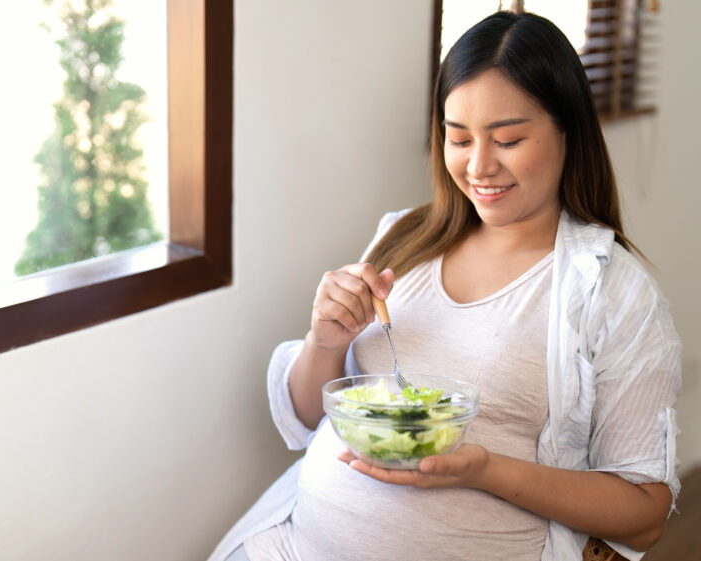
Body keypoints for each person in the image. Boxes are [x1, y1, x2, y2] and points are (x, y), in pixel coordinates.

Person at [209, 10, 682, 561]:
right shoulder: (404, 236)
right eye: (458, 139)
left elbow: (644, 516)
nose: (479, 165)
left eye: (508, 139)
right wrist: (326, 341)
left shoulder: (616, 293)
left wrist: (483, 468)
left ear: (568, 133)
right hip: (291, 546)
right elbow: (314, 418)